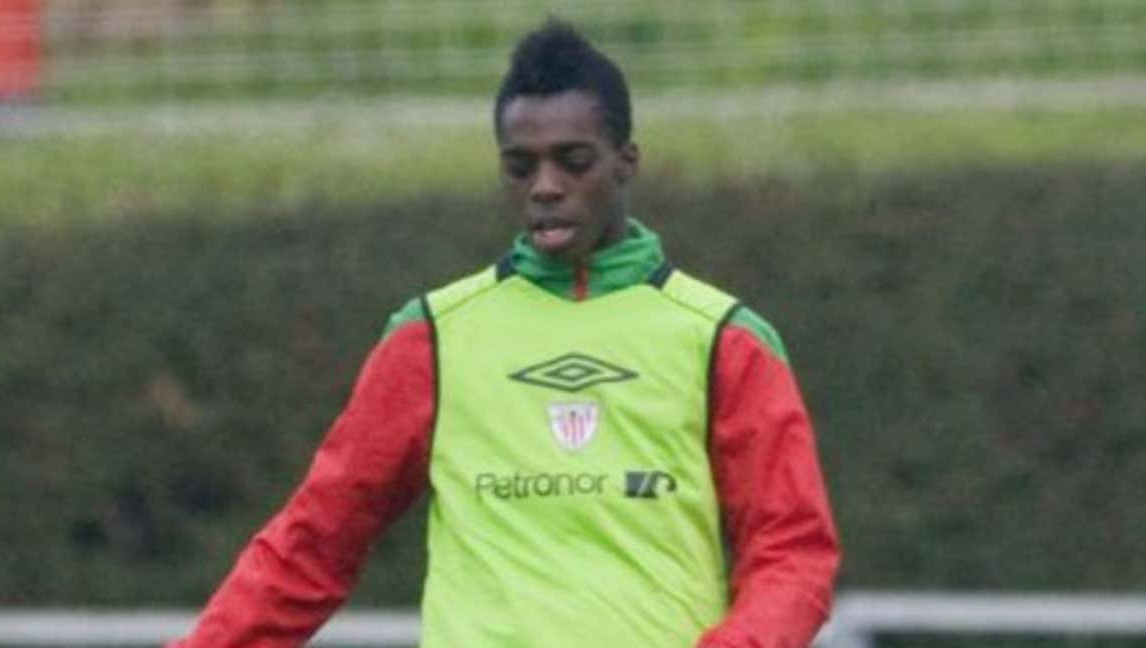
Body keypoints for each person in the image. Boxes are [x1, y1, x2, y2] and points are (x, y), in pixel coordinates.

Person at [169, 19, 839, 648]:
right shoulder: (431, 335)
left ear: (625, 161)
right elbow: (315, 542)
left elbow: (792, 552)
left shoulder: (724, 338)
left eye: (572, 160)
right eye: (521, 166)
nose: (545, 186)